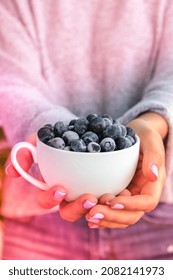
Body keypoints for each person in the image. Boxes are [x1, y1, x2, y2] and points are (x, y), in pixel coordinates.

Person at [0, 0, 173, 260]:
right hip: (39, 221)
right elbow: (9, 79)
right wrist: (54, 138)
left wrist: (150, 122)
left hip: (154, 213)